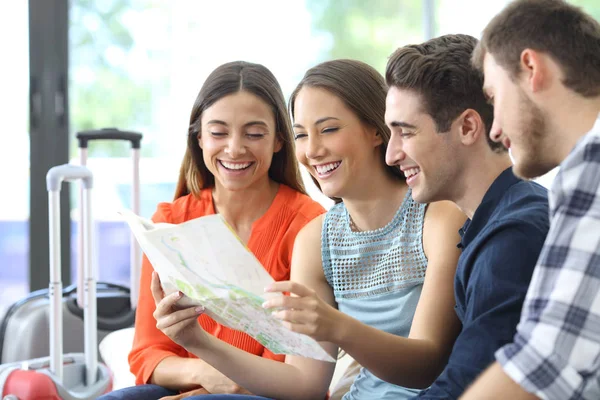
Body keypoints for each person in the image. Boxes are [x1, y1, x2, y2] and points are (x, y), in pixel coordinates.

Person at [148, 59, 467, 400]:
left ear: (377, 130)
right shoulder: (316, 240)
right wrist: (198, 342)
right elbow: (304, 385)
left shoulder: (439, 218)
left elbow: (425, 366)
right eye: (301, 135)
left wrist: (337, 326)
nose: (312, 150)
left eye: (328, 129)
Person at [98, 61, 326, 400]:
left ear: (279, 139)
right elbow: (148, 354)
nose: (234, 149)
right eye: (219, 132)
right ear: (199, 137)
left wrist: (205, 393)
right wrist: (206, 376)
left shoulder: (306, 225)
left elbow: (286, 368)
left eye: (254, 133)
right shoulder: (170, 222)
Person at [383, 34, 551, 399]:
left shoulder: (512, 237)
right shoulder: (497, 221)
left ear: (468, 127)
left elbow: (466, 387)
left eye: (406, 132)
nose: (391, 155)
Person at [461, 1, 600, 399]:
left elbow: (543, 367)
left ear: (531, 69)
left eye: (493, 96)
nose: (496, 128)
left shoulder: (593, 162)